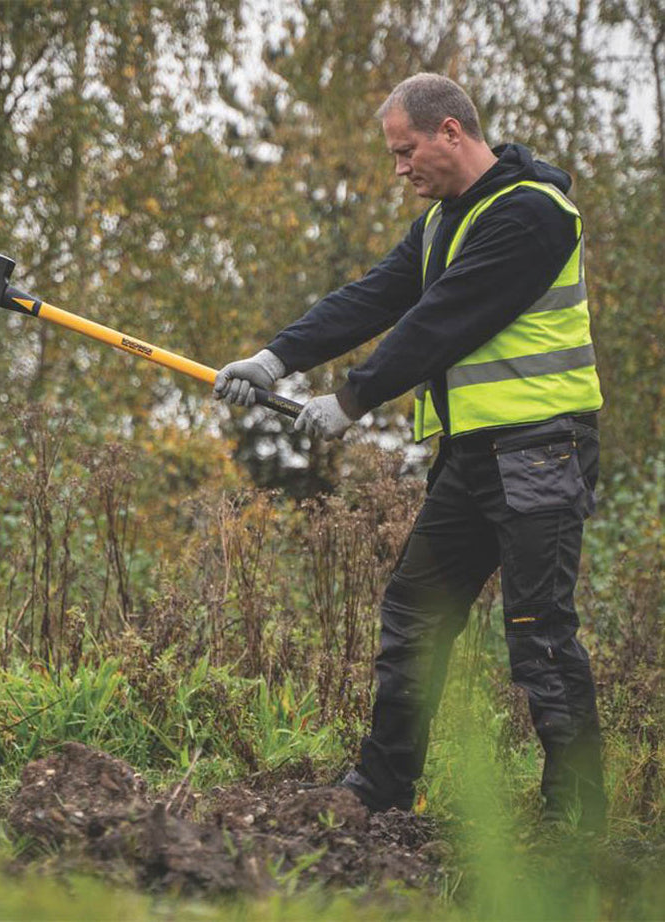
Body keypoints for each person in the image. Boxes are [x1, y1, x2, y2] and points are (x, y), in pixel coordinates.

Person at [214, 73, 606, 830]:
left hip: (540, 453)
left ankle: (578, 821)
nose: (399, 169)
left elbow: (443, 321)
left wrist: (353, 400)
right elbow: (371, 296)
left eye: (405, 151)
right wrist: (274, 358)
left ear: (451, 132)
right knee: (414, 617)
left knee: (539, 633)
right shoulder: (439, 224)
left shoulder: (533, 213)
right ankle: (381, 790)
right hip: (470, 457)